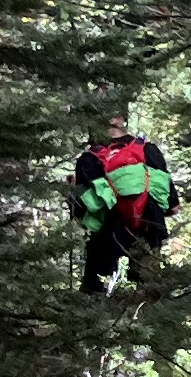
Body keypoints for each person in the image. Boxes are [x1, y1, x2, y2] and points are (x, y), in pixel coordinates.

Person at [73, 115, 173, 291]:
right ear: (121, 120)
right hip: (148, 227)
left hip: (107, 233)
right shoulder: (148, 150)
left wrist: (72, 193)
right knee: (148, 290)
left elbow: (82, 213)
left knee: (94, 291)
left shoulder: (87, 160)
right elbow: (173, 207)